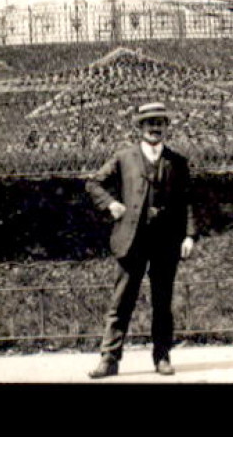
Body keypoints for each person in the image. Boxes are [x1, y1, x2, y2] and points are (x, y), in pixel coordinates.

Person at [83, 101, 197, 378]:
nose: (154, 128)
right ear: (140, 127)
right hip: (131, 239)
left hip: (166, 241)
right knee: (121, 301)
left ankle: (162, 357)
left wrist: (189, 235)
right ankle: (109, 360)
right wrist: (111, 204)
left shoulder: (178, 162)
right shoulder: (124, 157)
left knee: (162, 302)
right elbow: (93, 183)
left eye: (160, 122)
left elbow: (187, 201)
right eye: (149, 123)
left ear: (166, 127)